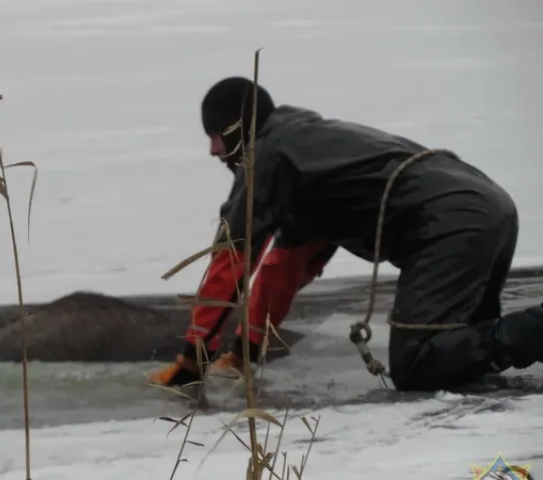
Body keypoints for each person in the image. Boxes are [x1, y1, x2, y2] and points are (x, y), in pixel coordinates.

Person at [148, 76, 543, 392]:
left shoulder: (266, 159)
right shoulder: (301, 155)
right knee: (463, 360)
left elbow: (229, 264)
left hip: (451, 220)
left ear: (239, 130)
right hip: (486, 204)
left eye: (216, 135)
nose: (213, 150)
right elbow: (281, 269)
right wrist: (243, 355)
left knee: (419, 364)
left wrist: (190, 363)